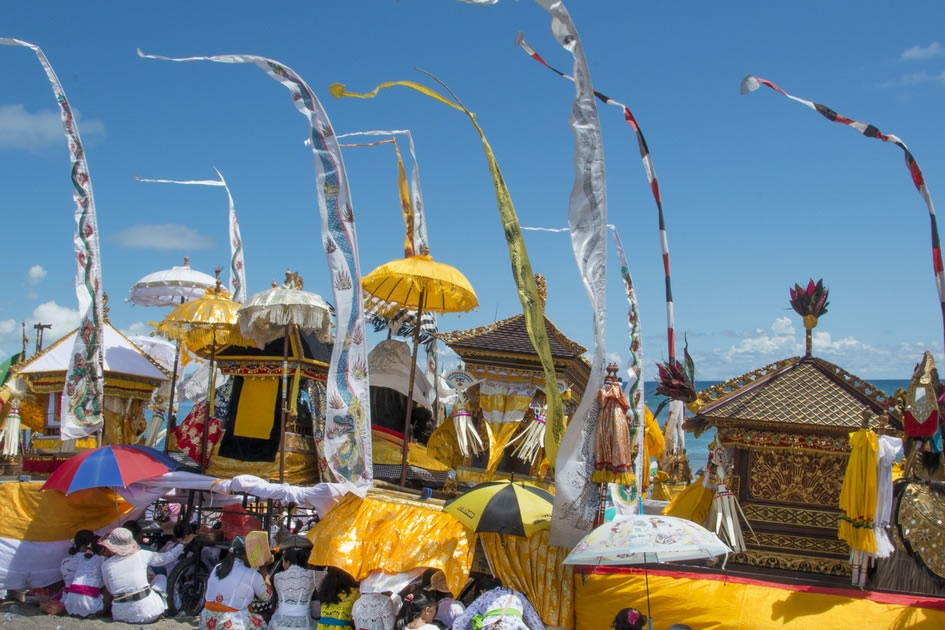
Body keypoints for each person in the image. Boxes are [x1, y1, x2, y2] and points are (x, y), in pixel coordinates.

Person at [100, 526, 192, 624]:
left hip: (119, 615)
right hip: (147, 612)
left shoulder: (106, 565)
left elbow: (111, 590)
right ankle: (169, 609)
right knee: (161, 578)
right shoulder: (142, 554)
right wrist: (183, 543)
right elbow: (169, 557)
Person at [201, 536, 272, 630]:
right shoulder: (252, 574)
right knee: (260, 622)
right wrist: (264, 570)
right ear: (243, 555)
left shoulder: (217, 567)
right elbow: (267, 596)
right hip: (229, 622)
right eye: (252, 554)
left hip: (207, 619)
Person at [452, 581, 544, 630]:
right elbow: (536, 623)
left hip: (489, 627)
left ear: (484, 590)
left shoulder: (485, 596)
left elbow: (459, 622)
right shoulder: (517, 595)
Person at [270, 546, 318, 630]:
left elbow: (275, 601)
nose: (282, 564)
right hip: (303, 624)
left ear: (288, 562)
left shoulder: (277, 577)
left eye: (283, 561)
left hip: (279, 623)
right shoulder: (312, 575)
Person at [60, 530, 104, 618]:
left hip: (66, 600)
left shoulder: (64, 561)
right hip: (86, 601)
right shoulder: (92, 559)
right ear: (85, 547)